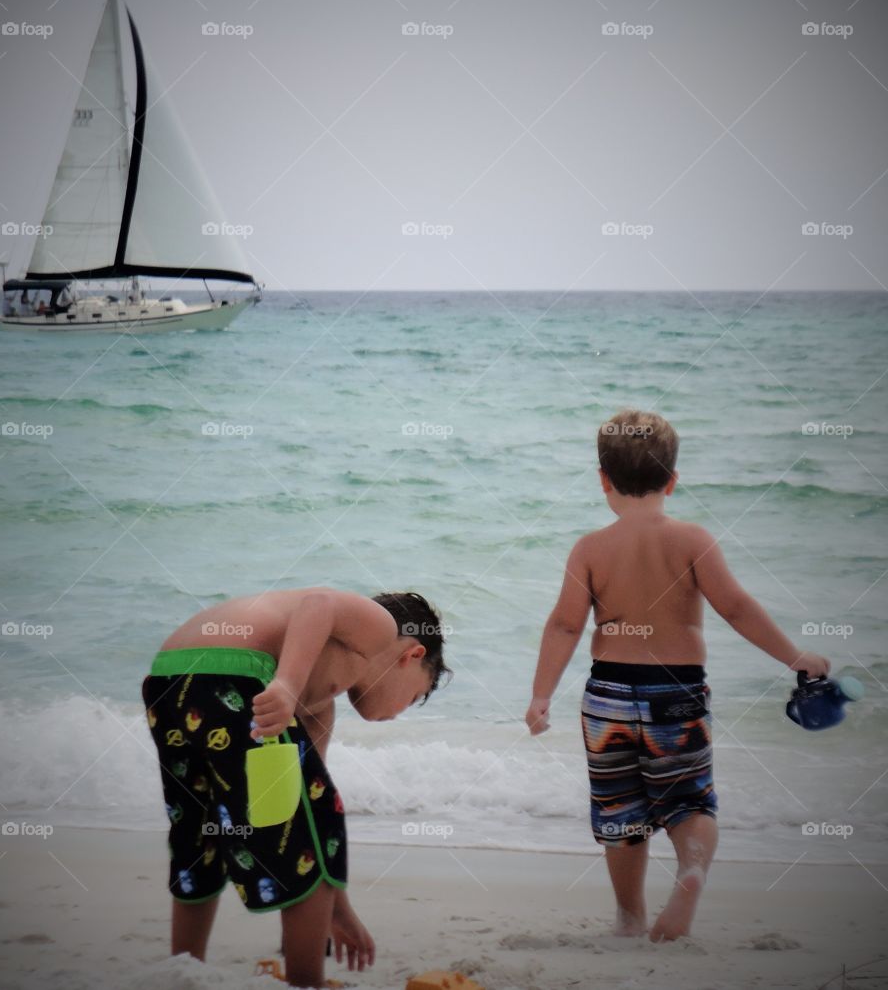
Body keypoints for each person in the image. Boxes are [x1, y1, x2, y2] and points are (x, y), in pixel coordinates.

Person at [525, 409, 830, 942]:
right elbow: (736, 607)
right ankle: (689, 871)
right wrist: (794, 656)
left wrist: (540, 696)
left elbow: (565, 624)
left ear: (602, 480)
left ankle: (628, 918)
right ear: (672, 479)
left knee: (622, 811)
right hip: (677, 693)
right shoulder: (693, 540)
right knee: (690, 801)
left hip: (608, 697)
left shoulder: (590, 548)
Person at [142, 588, 450, 988]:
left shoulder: (318, 701)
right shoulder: (381, 626)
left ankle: (183, 971)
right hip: (232, 673)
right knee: (318, 826)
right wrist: (286, 685)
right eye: (414, 696)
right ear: (413, 655)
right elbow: (318, 604)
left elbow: (297, 807)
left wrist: (338, 911)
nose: (399, 712)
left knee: (201, 831)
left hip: (168, 679)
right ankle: (306, 983)